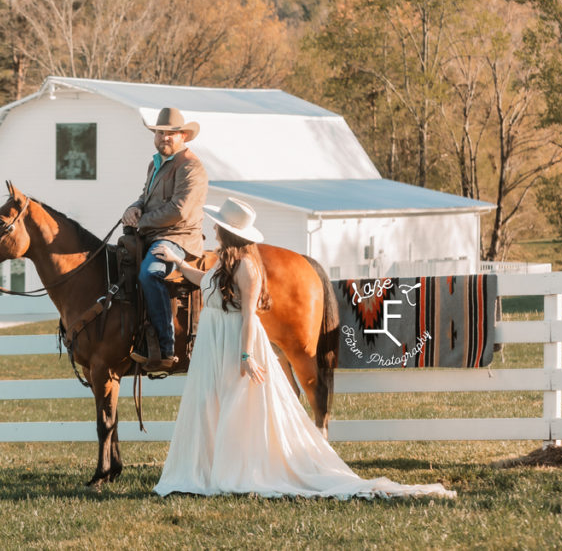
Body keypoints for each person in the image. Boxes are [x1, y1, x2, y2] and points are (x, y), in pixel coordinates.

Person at [151, 198, 456, 499]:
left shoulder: (247, 267)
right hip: (215, 340)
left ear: (226, 232)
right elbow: (205, 282)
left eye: (218, 225)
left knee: (235, 403)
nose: (214, 229)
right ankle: (208, 469)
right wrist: (179, 264)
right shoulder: (223, 262)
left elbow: (248, 316)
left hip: (233, 339)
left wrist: (246, 356)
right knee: (211, 401)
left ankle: (237, 470)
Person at [122, 107, 208, 373]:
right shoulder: (155, 164)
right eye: (160, 132)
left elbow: (179, 210)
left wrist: (142, 221)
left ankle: (165, 347)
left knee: (150, 273)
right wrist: (133, 208)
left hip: (178, 238)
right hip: (153, 234)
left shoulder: (191, 167)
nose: (165, 138)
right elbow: (145, 197)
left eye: (171, 133)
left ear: (183, 136)